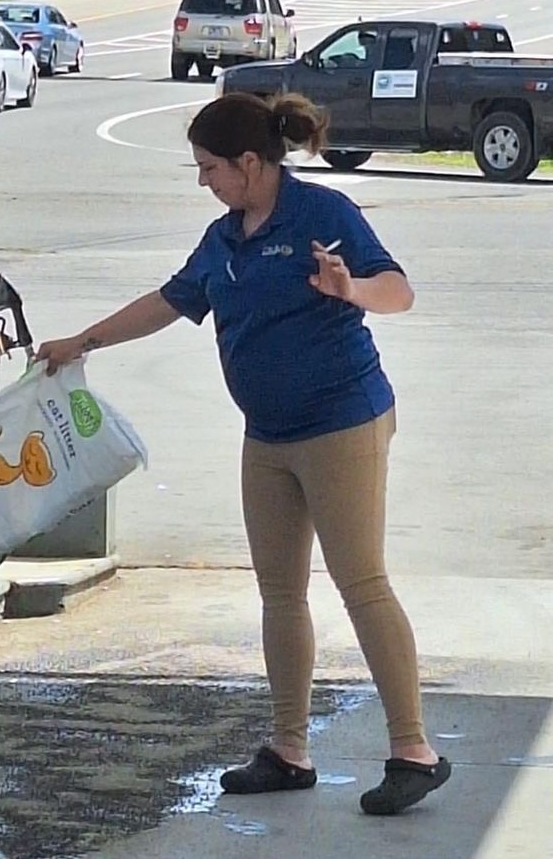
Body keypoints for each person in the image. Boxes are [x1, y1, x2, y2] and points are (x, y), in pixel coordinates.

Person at [38, 92, 451, 816]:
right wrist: (83, 341)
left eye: (209, 168)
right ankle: (289, 750)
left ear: (250, 163)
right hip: (266, 436)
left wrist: (347, 288)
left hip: (340, 422)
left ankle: (413, 749)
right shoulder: (223, 238)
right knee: (279, 593)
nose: (203, 181)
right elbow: (169, 300)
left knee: (361, 583)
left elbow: (399, 291)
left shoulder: (321, 213)